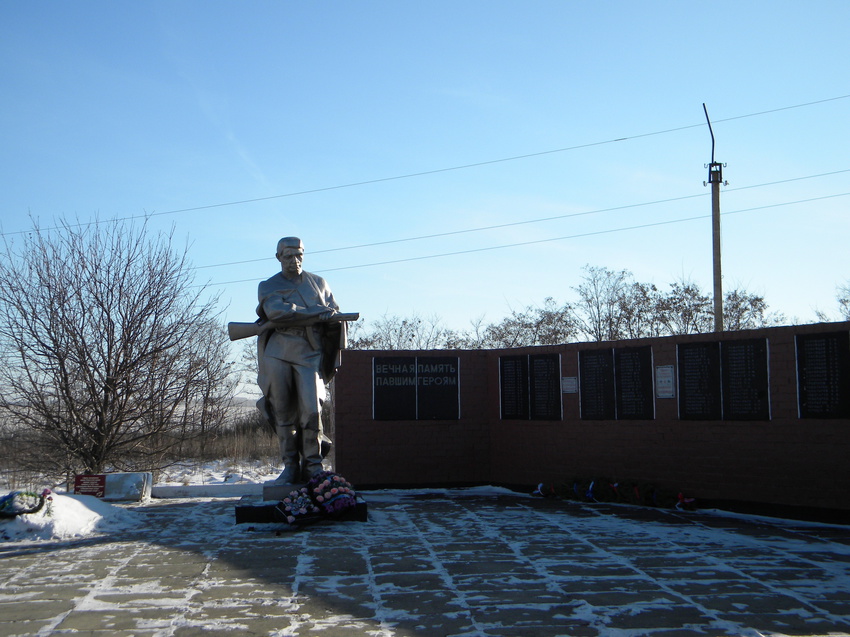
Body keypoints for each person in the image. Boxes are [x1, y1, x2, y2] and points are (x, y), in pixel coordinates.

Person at [256, 237, 345, 484]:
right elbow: (277, 312)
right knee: (283, 412)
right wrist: (314, 313)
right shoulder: (268, 285)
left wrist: (330, 317)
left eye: (299, 256)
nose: (294, 261)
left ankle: (313, 467)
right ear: (278, 257)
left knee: (311, 410)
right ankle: (290, 468)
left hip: (310, 352)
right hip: (278, 353)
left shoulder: (318, 283)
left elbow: (333, 311)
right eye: (288, 256)